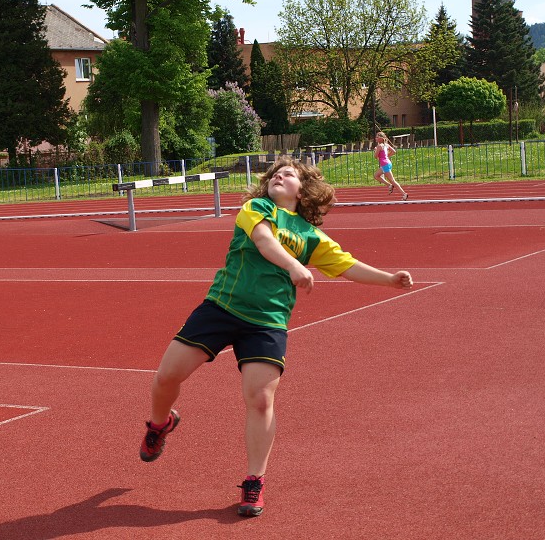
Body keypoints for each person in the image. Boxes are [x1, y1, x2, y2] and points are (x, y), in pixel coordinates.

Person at [139, 156, 413, 517]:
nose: (279, 176)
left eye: (289, 175)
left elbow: (347, 265)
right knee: (166, 377)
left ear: (303, 191)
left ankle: (254, 480)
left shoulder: (310, 236)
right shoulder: (257, 208)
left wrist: (389, 279)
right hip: (221, 307)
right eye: (275, 174)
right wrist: (294, 264)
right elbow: (264, 240)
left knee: (260, 399)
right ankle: (161, 423)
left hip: (267, 322)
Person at [373, 131, 408, 200]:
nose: (376, 138)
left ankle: (404, 194)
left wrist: (375, 150)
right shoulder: (386, 145)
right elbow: (394, 151)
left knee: (393, 180)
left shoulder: (379, 146)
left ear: (381, 138)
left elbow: (375, 156)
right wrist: (387, 156)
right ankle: (389, 185)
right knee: (376, 175)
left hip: (385, 165)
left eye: (377, 137)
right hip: (387, 163)